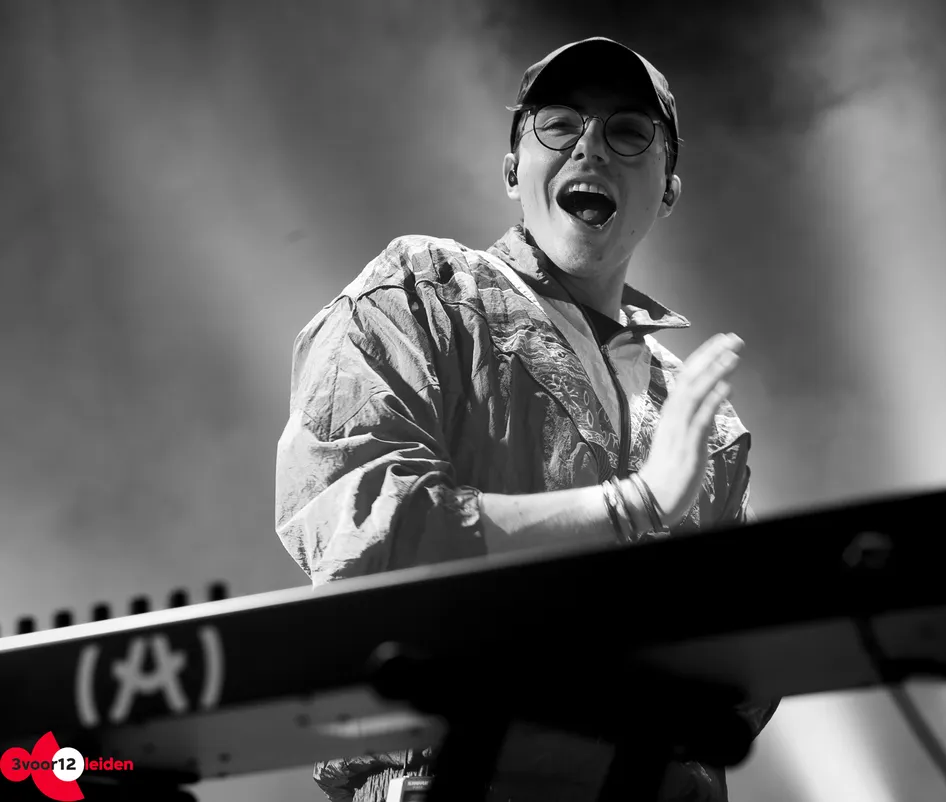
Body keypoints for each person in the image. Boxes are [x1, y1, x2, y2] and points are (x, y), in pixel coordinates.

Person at [275, 36, 777, 802]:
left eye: (627, 131)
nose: (590, 147)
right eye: (560, 123)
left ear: (669, 188)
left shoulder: (703, 420)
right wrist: (631, 507)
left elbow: (744, 678)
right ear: (513, 168)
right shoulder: (424, 293)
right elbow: (370, 533)